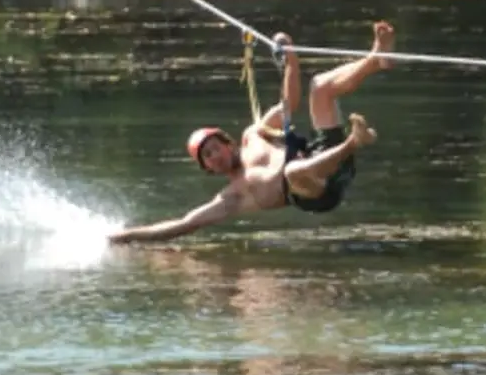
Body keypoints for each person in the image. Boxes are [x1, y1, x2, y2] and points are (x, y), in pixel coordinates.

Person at [107, 21, 395, 245]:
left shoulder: (255, 134)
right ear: (207, 169)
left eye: (215, 148)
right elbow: (184, 224)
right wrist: (125, 237)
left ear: (228, 143)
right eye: (207, 157)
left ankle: (375, 59)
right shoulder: (232, 197)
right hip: (320, 191)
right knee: (294, 172)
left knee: (320, 87)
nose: (215, 156)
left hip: (322, 155)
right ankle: (354, 141)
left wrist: (291, 60)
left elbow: (289, 104)